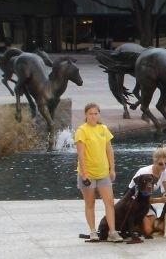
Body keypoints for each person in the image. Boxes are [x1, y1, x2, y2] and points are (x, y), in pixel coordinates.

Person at [75, 103, 122, 242]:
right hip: (88, 173)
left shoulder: (103, 129)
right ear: (86, 115)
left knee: (109, 201)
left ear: (99, 114)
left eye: (96, 113)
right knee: (90, 203)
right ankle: (93, 231)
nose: (93, 116)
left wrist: (112, 168)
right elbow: (81, 154)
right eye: (90, 113)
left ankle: (112, 231)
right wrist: (84, 173)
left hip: (103, 172)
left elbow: (109, 150)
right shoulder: (82, 130)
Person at [128, 146, 166, 236]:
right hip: (133, 202)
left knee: (157, 227)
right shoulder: (146, 173)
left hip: (145, 203)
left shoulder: (164, 172)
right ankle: (130, 226)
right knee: (148, 230)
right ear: (154, 162)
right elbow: (140, 198)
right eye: (160, 164)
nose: (164, 166)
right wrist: (160, 200)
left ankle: (141, 222)